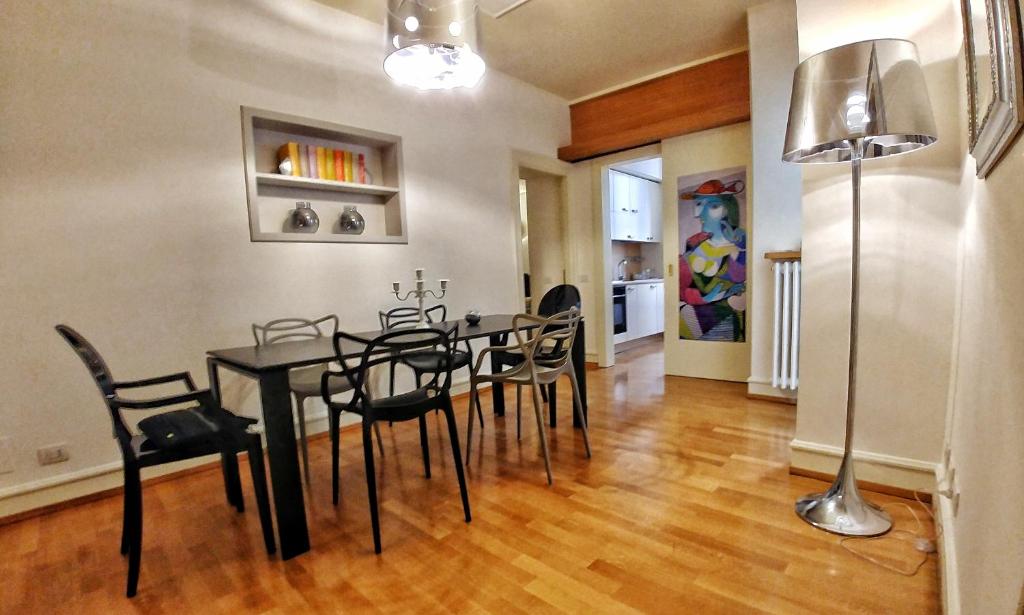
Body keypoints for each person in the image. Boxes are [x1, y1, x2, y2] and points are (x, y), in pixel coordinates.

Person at [678, 179, 747, 341]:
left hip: (727, 320)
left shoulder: (741, 244)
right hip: (690, 318)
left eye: (714, 206)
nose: (701, 214)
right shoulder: (693, 243)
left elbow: (741, 288)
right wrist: (705, 298)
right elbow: (683, 287)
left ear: (726, 210)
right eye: (699, 204)